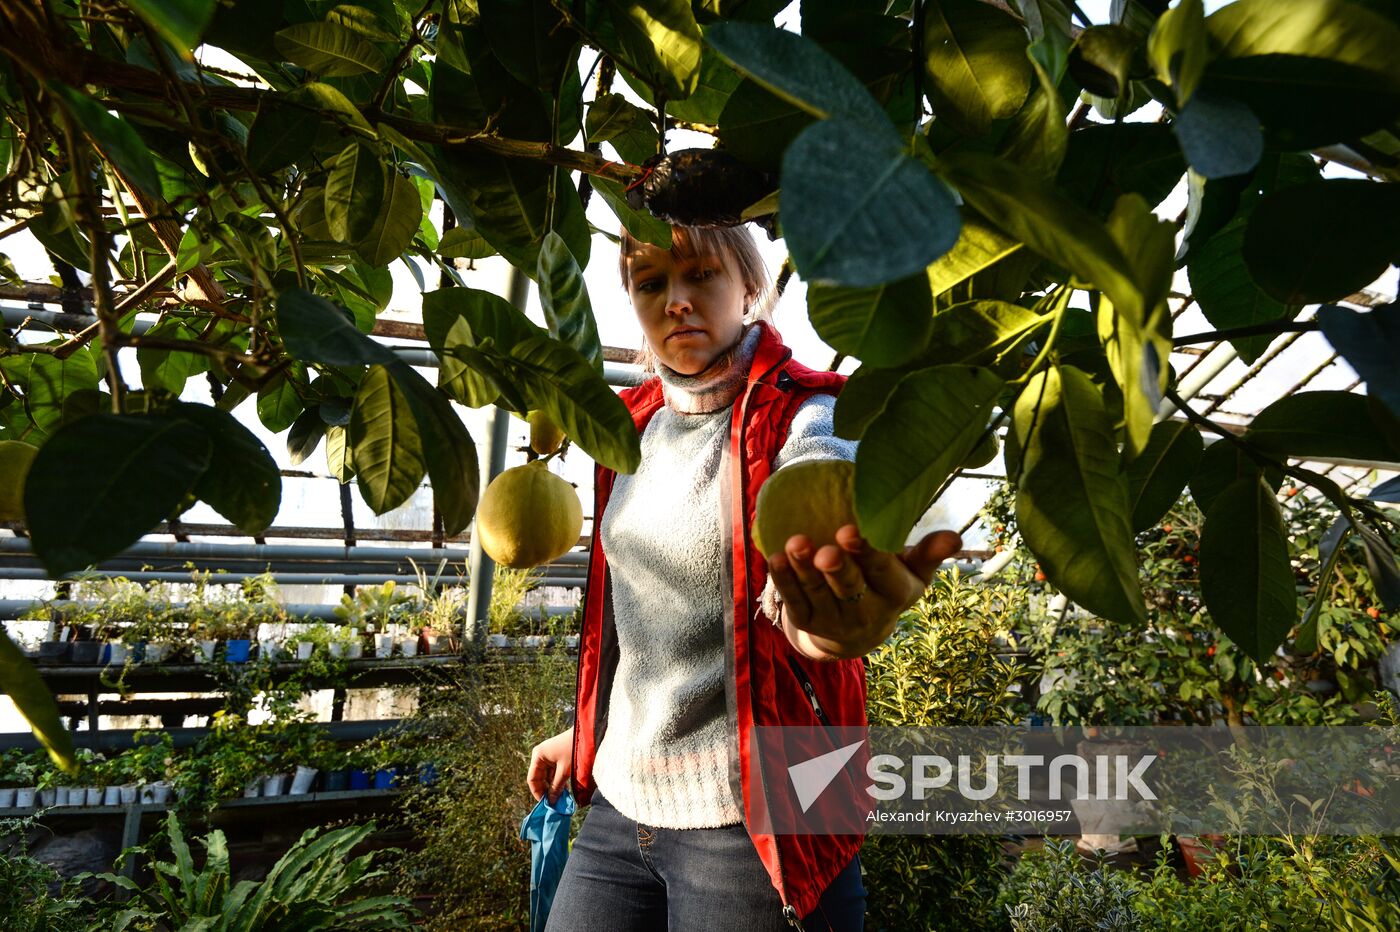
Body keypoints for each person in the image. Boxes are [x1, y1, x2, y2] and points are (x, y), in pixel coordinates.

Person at [526, 223, 962, 931]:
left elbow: (820, 486)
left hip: (749, 819)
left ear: (749, 286)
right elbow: (628, 618)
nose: (677, 301)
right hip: (618, 806)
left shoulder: (808, 413)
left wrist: (829, 623)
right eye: (652, 283)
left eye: (701, 275)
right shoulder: (625, 430)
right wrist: (587, 733)